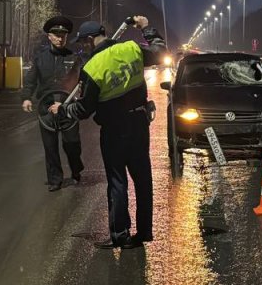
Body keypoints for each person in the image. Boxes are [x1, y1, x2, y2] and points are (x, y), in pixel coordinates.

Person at [51, 15, 166, 249]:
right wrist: (146, 27)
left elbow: (84, 109)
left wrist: (63, 109)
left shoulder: (92, 68)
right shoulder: (131, 49)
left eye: (84, 42)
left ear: (92, 39)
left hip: (114, 130)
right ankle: (144, 232)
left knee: (117, 182)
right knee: (143, 179)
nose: (83, 47)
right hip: (139, 124)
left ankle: (120, 235)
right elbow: (159, 50)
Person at [22, 15, 85, 192]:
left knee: (72, 144)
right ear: (49, 36)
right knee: (50, 147)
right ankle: (55, 179)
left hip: (68, 109)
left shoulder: (74, 58)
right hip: (46, 108)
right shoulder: (40, 58)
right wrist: (26, 97)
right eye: (56, 35)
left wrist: (82, 93)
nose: (60, 38)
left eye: (63, 35)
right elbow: (30, 80)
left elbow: (83, 80)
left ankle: (76, 168)